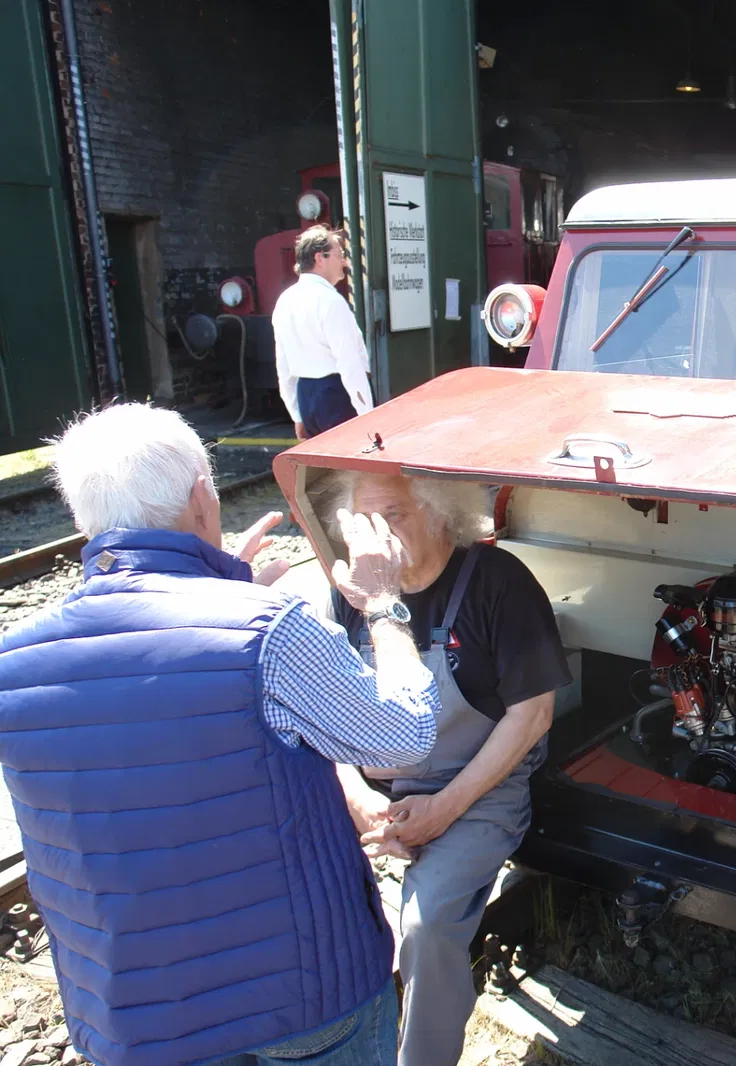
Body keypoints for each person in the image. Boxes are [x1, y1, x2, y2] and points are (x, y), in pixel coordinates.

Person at [0, 404, 443, 1066]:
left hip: (138, 1018)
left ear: (83, 519)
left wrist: (221, 592)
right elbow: (403, 733)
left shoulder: (14, 665)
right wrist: (383, 605)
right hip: (303, 999)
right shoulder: (268, 630)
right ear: (204, 498)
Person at [317, 471, 569, 1066]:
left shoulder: (497, 582)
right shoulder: (350, 590)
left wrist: (441, 810)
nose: (375, 538)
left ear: (439, 515)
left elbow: (533, 716)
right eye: (362, 522)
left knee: (426, 931)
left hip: (479, 791)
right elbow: (320, 711)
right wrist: (355, 794)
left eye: (393, 516)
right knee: (316, 909)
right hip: (375, 796)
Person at [274, 225, 373, 440]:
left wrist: (297, 415)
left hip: (306, 395)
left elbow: (283, 367)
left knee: (322, 469)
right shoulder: (331, 301)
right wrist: (367, 415)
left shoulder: (285, 301)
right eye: (340, 255)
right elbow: (349, 364)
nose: (344, 262)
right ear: (320, 258)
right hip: (335, 396)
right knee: (350, 466)